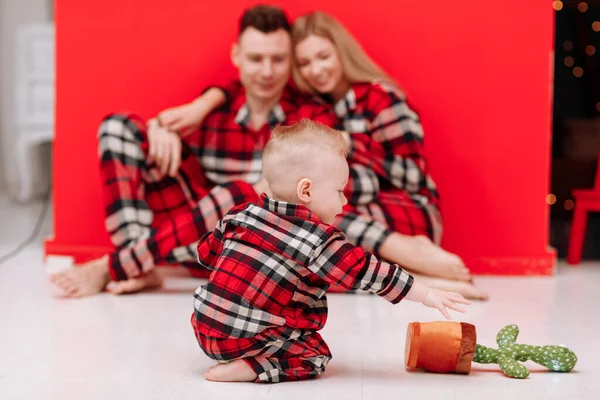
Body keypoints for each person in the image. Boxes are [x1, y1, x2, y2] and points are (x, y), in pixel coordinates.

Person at [181, 11, 488, 299]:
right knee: (299, 244)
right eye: (304, 64)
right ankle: (409, 275)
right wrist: (210, 99)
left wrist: (353, 145)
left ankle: (405, 252)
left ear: (343, 52)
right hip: (352, 208)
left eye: (323, 57)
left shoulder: (380, 98)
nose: (316, 70)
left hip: (408, 210)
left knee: (304, 212)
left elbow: (412, 176)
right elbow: (240, 86)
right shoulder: (316, 105)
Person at [49, 5, 337, 297]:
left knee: (240, 195)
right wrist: (161, 130)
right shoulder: (211, 111)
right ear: (236, 55)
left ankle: (116, 266)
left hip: (259, 251)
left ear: (290, 61)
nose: (266, 71)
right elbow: (156, 134)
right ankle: (139, 265)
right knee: (118, 128)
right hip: (194, 239)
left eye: (278, 59)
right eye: (255, 58)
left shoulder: (308, 116)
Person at [191, 120, 470, 383]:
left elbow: (206, 254)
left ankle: (245, 352)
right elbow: (371, 273)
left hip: (203, 327)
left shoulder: (241, 214)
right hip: (243, 339)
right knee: (315, 356)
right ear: (307, 191)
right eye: (339, 190)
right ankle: (253, 367)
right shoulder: (318, 240)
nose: (345, 199)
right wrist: (427, 294)